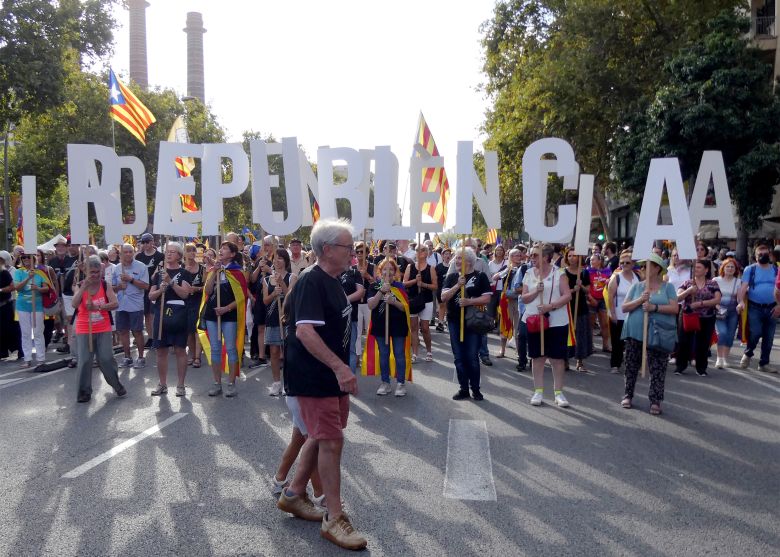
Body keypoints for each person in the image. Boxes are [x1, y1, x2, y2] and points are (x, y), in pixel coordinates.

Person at [277, 218, 367, 551]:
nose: (353, 253)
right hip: (314, 378)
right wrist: (340, 367)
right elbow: (304, 331)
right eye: (348, 247)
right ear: (327, 249)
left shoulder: (334, 280)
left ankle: (294, 494)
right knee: (331, 441)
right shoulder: (311, 282)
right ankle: (334, 517)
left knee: (321, 436)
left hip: (330, 377)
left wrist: (341, 370)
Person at [619, 253, 678, 415]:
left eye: (647, 266)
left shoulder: (668, 287)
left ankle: (655, 400)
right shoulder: (638, 286)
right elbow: (624, 308)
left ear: (657, 268)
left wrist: (654, 308)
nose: (643, 268)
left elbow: (675, 309)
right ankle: (628, 395)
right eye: (642, 266)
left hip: (659, 334)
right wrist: (639, 301)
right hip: (635, 332)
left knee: (658, 367)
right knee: (631, 365)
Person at [521, 243, 572, 407]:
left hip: (556, 321)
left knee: (557, 359)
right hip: (534, 321)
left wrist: (550, 306)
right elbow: (524, 298)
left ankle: (558, 393)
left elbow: (567, 295)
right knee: (537, 358)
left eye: (535, 255)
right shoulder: (529, 273)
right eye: (531, 255)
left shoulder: (559, 273)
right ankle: (538, 391)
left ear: (545, 257)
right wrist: (536, 291)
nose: (531, 258)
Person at [72, 255, 126, 403]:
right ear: (86, 272)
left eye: (97, 272)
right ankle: (84, 391)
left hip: (103, 327)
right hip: (84, 328)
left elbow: (115, 304)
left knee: (106, 358)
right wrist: (83, 287)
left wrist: (98, 307)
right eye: (92, 272)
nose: (95, 275)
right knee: (84, 360)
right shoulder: (80, 285)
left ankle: (117, 385)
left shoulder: (105, 285)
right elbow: (74, 304)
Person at [441, 247, 492, 401]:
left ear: (469, 261)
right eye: (456, 258)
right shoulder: (451, 277)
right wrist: (457, 285)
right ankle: (463, 388)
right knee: (458, 357)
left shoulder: (480, 276)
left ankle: (475, 389)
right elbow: (443, 298)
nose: (457, 261)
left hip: (472, 323)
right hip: (454, 321)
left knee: (471, 356)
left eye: (460, 258)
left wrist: (469, 301)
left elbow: (487, 298)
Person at [201, 241, 248, 397]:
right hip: (212, 314)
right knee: (215, 348)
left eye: (225, 249)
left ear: (233, 254)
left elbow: (242, 297)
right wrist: (214, 271)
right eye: (220, 248)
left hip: (229, 315)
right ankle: (217, 383)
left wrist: (226, 308)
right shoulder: (214, 270)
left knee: (230, 348)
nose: (220, 250)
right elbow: (207, 290)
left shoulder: (237, 272)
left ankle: (231, 383)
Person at [148, 242, 192, 397]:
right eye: (167, 251)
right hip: (161, 316)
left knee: (180, 350)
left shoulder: (184, 273)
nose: (169, 254)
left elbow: (185, 294)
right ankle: (163, 384)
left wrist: (171, 282)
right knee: (161, 351)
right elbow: (151, 296)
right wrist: (161, 288)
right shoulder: (159, 273)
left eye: (173, 252)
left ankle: (180, 385)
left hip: (178, 316)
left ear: (179, 256)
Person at [367, 258, 411, 396]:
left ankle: (400, 383)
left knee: (399, 354)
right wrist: (381, 291)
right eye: (385, 269)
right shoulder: (374, 286)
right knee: (384, 354)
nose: (388, 271)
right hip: (381, 326)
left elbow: (405, 308)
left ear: (395, 272)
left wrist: (394, 302)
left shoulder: (400, 286)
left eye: (391, 269)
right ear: (380, 272)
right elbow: (370, 305)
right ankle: (385, 382)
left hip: (398, 325)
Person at [738, 242, 780, 373]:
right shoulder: (750, 269)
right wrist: (740, 301)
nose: (763, 255)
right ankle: (748, 353)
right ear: (755, 257)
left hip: (773, 307)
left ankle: (764, 363)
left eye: (765, 253)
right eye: (759, 254)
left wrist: (779, 305)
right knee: (755, 332)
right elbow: (743, 288)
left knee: (769, 337)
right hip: (755, 307)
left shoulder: (776, 270)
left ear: (770, 254)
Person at [675, 259, 721, 377]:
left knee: (703, 342)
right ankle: (680, 366)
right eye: (695, 267)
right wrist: (689, 291)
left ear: (706, 270)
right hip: (688, 315)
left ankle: (701, 368)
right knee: (683, 341)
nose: (696, 269)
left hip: (706, 316)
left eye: (699, 267)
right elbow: (678, 298)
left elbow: (717, 299)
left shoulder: (712, 284)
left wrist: (700, 304)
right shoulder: (688, 283)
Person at [263, 248, 297, 396]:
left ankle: (288, 382)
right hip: (272, 318)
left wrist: (281, 283)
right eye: (275, 258)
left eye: (281, 258)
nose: (277, 261)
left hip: (287, 318)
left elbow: (290, 295)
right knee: (274, 351)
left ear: (286, 261)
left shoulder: (292, 277)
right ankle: (276, 383)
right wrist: (273, 293)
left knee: (288, 352)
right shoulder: (265, 280)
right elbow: (265, 301)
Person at [112, 243, 149, 369]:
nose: (128, 254)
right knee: (123, 331)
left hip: (136, 305)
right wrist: (118, 287)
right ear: (120, 254)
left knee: (137, 331)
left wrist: (131, 279)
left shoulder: (141, 266)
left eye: (130, 252)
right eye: (125, 252)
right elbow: (112, 288)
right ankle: (127, 357)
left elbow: (146, 286)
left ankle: (141, 357)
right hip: (121, 305)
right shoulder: (116, 268)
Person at [606, 249, 639, 373]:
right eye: (622, 263)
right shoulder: (616, 278)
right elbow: (610, 296)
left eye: (627, 263)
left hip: (634, 315)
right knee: (617, 342)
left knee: (633, 341)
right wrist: (612, 313)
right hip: (618, 315)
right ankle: (615, 364)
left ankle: (633, 363)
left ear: (633, 264)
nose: (624, 265)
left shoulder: (638, 277)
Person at [13, 252, 49, 367]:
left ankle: (41, 358)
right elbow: (17, 288)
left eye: (28, 257)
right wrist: (29, 277)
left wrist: (37, 288)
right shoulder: (19, 272)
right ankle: (27, 358)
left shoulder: (40, 272)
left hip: (37, 305)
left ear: (33, 258)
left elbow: (46, 288)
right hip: (22, 306)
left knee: (38, 332)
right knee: (25, 333)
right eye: (23, 257)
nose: (26, 259)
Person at [403, 245, 437, 363]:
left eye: (422, 250)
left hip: (426, 300)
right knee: (413, 328)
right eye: (417, 250)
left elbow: (435, 286)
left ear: (427, 253)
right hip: (412, 300)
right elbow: (404, 283)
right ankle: (415, 353)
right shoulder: (410, 267)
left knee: (425, 328)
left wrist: (423, 284)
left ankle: (429, 351)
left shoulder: (431, 268)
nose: (419, 252)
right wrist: (414, 281)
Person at [564, 248, 592, 372]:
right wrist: (572, 290)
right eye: (569, 256)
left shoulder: (584, 273)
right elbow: (560, 291)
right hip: (567, 307)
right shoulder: (563, 273)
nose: (572, 258)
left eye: (574, 255)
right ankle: (565, 359)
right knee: (566, 334)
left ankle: (580, 361)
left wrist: (581, 286)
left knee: (580, 334)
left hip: (580, 307)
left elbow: (588, 290)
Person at [135, 232, 164, 348]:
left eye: (147, 242)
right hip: (142, 287)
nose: (146, 244)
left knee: (154, 313)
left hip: (154, 286)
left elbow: (159, 271)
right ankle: (151, 337)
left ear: (152, 242)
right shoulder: (139, 256)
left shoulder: (160, 256)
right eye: (143, 242)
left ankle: (158, 335)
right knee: (146, 314)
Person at [713, 258, 742, 368]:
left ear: (735, 269)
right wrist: (716, 305)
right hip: (719, 310)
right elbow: (711, 295)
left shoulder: (738, 281)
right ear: (723, 268)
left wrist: (741, 304)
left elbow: (740, 298)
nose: (730, 269)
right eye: (728, 266)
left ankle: (725, 359)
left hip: (733, 312)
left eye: (732, 267)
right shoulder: (716, 280)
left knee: (730, 335)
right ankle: (719, 358)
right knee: (722, 333)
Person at [354, 241, 377, 356]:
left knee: (370, 330)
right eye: (357, 251)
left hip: (369, 302)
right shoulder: (352, 268)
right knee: (357, 332)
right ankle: (357, 355)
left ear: (367, 253)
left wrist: (367, 276)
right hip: (356, 304)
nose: (359, 254)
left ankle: (371, 356)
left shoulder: (373, 267)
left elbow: (378, 284)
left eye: (362, 251)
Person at [183, 243, 204, 368]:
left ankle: (197, 357)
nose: (191, 253)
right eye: (188, 250)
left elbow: (207, 287)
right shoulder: (181, 268)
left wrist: (196, 289)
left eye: (193, 250)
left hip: (198, 302)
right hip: (185, 302)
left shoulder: (202, 268)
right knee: (189, 331)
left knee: (197, 330)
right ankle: (190, 354)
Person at [586, 252, 611, 352]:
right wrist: (590, 298)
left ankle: (606, 346)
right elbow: (586, 287)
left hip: (603, 300)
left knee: (605, 324)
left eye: (593, 259)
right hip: (591, 300)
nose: (591, 261)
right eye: (591, 259)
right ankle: (590, 346)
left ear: (600, 261)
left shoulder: (607, 271)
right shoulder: (587, 271)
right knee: (591, 324)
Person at [0, 250, 21, 361]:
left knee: (12, 327)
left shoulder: (10, 271)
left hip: (11, 301)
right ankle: (3, 352)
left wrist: (1, 290)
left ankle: (16, 350)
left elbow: (13, 286)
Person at [434, 248, 452, 332]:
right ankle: (440, 323)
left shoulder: (453, 266)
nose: (447, 255)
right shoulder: (439, 266)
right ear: (442, 256)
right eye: (446, 254)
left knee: (449, 306)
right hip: (441, 289)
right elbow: (435, 278)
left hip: (451, 289)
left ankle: (449, 321)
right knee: (442, 306)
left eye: (449, 254)